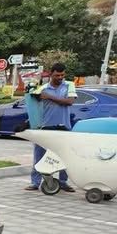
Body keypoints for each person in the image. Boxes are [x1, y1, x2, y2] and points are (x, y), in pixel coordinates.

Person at [25, 62, 76, 192]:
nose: (60, 77)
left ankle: (63, 182)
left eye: (62, 75)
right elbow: (33, 104)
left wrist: (49, 97)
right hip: (45, 126)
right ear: (51, 74)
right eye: (57, 75)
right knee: (39, 155)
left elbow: (69, 102)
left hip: (64, 126)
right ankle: (35, 182)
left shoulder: (69, 85)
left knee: (64, 156)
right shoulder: (42, 88)